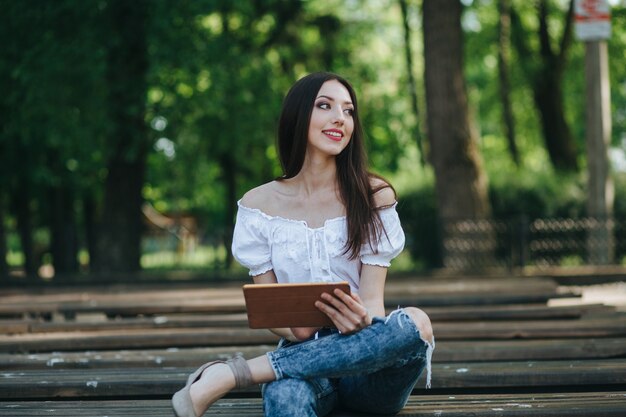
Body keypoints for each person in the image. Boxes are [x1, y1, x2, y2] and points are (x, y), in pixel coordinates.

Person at [172, 72, 435, 417]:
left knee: (415, 324)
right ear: (298, 117)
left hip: (368, 369)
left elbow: (373, 302)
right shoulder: (258, 205)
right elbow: (270, 310)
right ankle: (264, 372)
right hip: (302, 361)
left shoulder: (373, 196)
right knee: (284, 397)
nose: (339, 118)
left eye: (348, 111)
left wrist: (362, 322)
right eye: (324, 106)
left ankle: (236, 373)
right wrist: (294, 330)